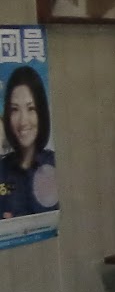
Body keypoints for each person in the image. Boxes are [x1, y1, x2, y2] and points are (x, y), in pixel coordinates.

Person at [0, 65, 58, 217]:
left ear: (41, 112)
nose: (23, 121)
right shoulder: (2, 171)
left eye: (31, 108)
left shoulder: (57, 165)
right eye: (15, 109)